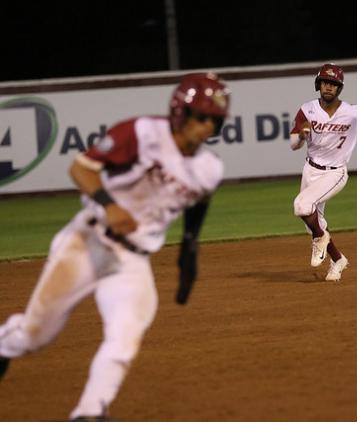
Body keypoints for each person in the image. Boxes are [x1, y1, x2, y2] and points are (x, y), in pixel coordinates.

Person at [0, 72, 230, 421]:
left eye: (214, 120)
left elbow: (200, 202)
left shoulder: (209, 168)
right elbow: (81, 168)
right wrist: (110, 205)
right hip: (87, 243)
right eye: (201, 117)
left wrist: (189, 248)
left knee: (125, 338)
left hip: (132, 262)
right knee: (34, 337)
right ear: (180, 112)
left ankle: (90, 412)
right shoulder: (142, 132)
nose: (207, 127)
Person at [289, 63, 357, 282]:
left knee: (301, 206)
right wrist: (301, 135)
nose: (329, 87)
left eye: (333, 84)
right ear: (319, 84)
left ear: (339, 88)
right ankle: (337, 260)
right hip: (310, 170)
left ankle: (320, 238)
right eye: (326, 82)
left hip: (335, 173)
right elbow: (293, 144)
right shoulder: (307, 110)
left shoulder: (352, 113)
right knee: (313, 222)